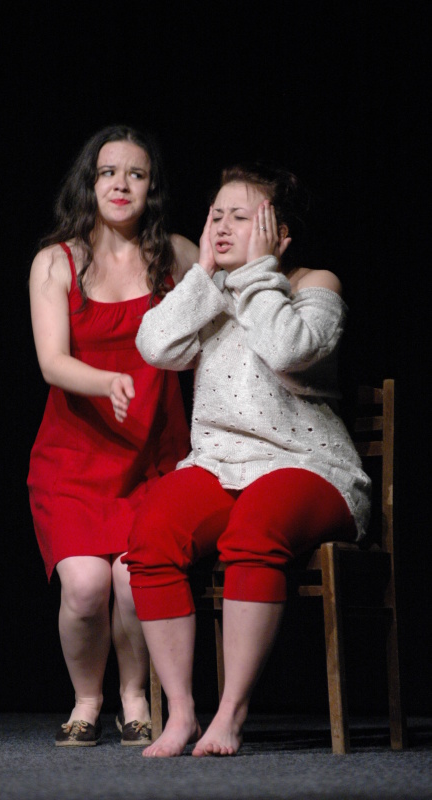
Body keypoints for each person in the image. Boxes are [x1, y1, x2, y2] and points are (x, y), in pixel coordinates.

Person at [123, 163, 371, 757]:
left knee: (256, 525)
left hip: (308, 465)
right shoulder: (212, 294)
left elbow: (288, 350)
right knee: (151, 533)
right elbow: (154, 345)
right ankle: (182, 714)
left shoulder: (315, 284)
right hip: (219, 464)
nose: (222, 227)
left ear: (280, 233)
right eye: (215, 216)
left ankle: (231, 714)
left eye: (241, 217)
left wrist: (258, 273)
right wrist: (204, 275)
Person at [27, 124, 196, 747]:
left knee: (131, 583)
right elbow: (52, 362)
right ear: (89, 183)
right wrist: (106, 381)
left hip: (153, 458)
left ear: (152, 188)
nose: (121, 184)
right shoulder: (58, 261)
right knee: (85, 587)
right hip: (73, 459)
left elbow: (237, 286)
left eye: (136, 174)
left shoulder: (175, 256)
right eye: (108, 172)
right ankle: (86, 699)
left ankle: (134, 698)